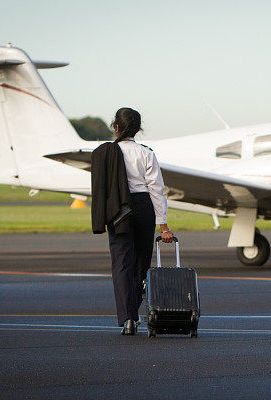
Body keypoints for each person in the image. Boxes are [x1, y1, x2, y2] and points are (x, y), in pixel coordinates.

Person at [91, 107, 173, 336]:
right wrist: (163, 224)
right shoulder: (146, 153)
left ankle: (127, 318)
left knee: (121, 264)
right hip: (143, 207)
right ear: (138, 129)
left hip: (118, 210)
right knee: (140, 264)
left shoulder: (105, 153)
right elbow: (156, 189)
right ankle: (133, 310)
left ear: (115, 127)